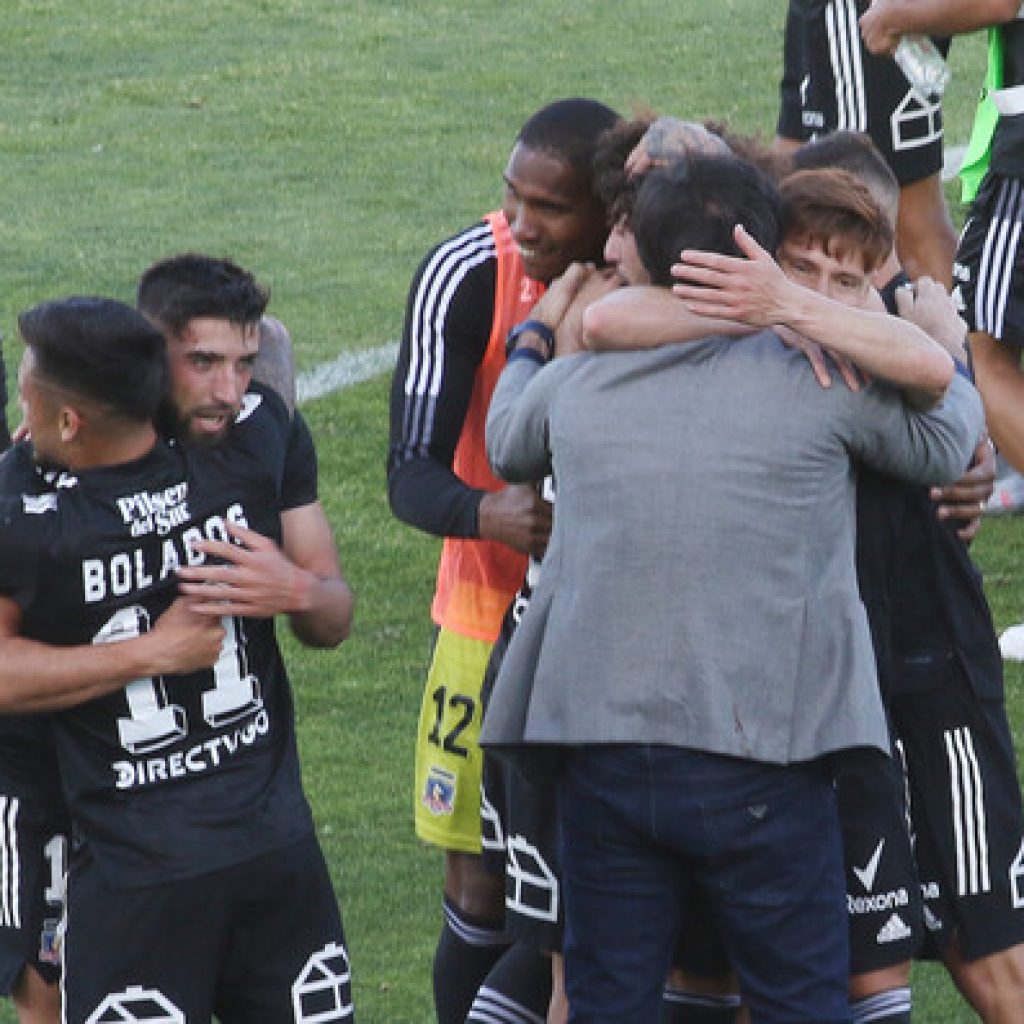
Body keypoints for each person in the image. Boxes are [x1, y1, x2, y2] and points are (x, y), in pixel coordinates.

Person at [482, 153, 983, 1022]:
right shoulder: (825, 383)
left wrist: (536, 339)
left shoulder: (584, 376)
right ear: (762, 253)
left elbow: (506, 438)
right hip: (767, 765)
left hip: (603, 758)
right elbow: (949, 438)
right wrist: (938, 339)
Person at [0, 295, 354, 1023]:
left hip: (136, 875)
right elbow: (264, 370)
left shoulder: (33, 523)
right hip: (276, 852)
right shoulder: (249, 457)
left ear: (68, 422)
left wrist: (151, 651)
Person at [387, 97, 620, 1023]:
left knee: (592, 888)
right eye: (513, 198)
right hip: (485, 626)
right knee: (483, 891)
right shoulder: (468, 271)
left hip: (609, 636)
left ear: (606, 210)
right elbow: (409, 475)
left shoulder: (659, 273)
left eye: (550, 208)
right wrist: (494, 511)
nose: (524, 224)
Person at [775, 0, 958, 285]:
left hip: (856, 9)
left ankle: (945, 328)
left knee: (887, 213)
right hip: (828, 12)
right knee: (792, 183)